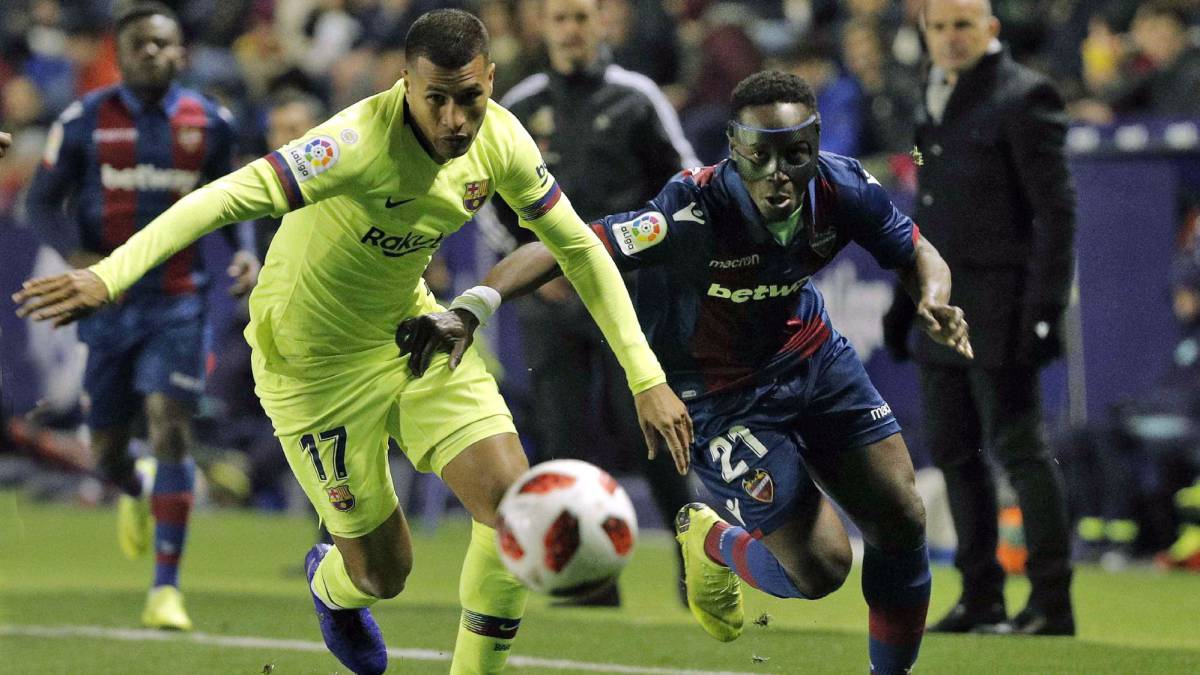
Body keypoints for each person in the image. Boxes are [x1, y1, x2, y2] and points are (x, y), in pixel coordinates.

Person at [13, 9, 691, 675]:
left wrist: (645, 376)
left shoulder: (502, 139)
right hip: (311, 363)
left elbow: (577, 246)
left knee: (510, 500)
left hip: (411, 333)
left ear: (489, 76)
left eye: (471, 98)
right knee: (382, 572)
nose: (455, 120)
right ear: (404, 82)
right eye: (436, 101)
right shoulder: (353, 143)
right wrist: (109, 273)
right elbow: (222, 197)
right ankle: (329, 584)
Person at [410, 70, 973, 675]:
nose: (779, 174)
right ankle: (713, 540)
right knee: (821, 571)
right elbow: (567, 246)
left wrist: (935, 297)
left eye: (795, 155)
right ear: (735, 147)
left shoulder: (842, 186)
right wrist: (472, 307)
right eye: (761, 156)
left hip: (814, 360)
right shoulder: (690, 208)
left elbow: (915, 248)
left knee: (904, 519)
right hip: (718, 397)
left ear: (815, 144)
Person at [21, 2, 260, 632]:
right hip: (110, 304)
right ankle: (136, 483)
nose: (152, 53)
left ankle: (165, 590)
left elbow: (240, 198)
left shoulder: (209, 121)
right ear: (121, 54)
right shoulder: (83, 121)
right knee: (105, 453)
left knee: (170, 422)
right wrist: (78, 256)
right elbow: (39, 202)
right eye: (140, 45)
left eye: (164, 43)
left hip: (180, 301)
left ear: (182, 51)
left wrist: (244, 256)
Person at [487, 0, 699, 607]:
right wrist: (534, 268)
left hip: (629, 299)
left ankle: (697, 568)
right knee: (562, 438)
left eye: (581, 17)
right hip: (549, 301)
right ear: (544, 27)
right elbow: (488, 198)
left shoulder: (638, 97)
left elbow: (683, 186)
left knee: (654, 437)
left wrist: (638, 259)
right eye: (560, 18)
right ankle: (586, 582)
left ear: (603, 23)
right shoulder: (520, 106)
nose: (572, 30)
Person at [898, 0, 1078, 636]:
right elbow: (927, 205)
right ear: (925, 32)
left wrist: (1044, 311)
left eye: (963, 25)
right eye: (940, 27)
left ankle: (1052, 602)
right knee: (953, 453)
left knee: (1019, 448)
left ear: (991, 29)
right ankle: (981, 597)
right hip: (940, 308)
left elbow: (1055, 213)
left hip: (1001, 306)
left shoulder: (1025, 96)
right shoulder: (929, 92)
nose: (950, 38)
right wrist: (910, 294)